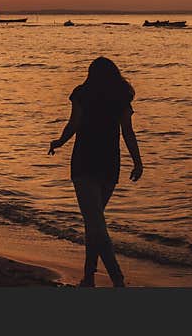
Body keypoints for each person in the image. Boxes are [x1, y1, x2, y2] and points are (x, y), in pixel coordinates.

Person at [48, 56, 143, 287]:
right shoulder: (121, 97)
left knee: (95, 223)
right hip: (109, 163)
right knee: (94, 222)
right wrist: (138, 162)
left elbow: (74, 124)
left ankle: (117, 279)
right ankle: (89, 277)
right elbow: (128, 133)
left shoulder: (82, 93)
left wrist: (59, 141)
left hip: (84, 161)